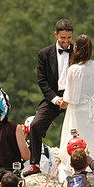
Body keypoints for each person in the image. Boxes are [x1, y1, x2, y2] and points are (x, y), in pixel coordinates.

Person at [57, 34, 94, 187]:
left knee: (75, 145)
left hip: (79, 115)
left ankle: (75, 184)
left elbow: (71, 98)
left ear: (76, 48)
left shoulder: (74, 69)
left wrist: (60, 102)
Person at [23, 19, 74, 177]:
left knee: (79, 127)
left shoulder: (78, 52)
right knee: (36, 125)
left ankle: (81, 163)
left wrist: (69, 98)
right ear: (56, 35)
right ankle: (35, 164)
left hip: (73, 97)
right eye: (62, 38)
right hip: (53, 97)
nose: (66, 42)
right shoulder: (44, 54)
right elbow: (42, 81)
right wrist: (56, 100)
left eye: (69, 38)